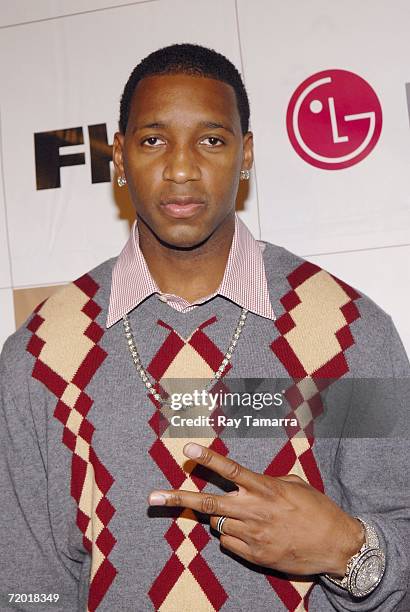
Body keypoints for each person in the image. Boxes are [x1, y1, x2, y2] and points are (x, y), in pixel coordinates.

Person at [0, 43, 409, 612]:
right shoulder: (40, 355)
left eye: (212, 140)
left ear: (247, 155)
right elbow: (26, 584)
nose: (183, 167)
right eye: (153, 140)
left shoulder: (349, 333)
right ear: (117, 156)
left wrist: (346, 549)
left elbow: (400, 529)